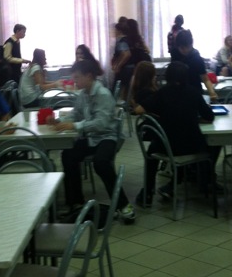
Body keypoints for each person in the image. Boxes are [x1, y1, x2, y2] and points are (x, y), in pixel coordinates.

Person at [53, 60, 135, 222]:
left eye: (77, 77)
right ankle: (75, 202)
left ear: (89, 76)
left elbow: (101, 124)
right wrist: (59, 121)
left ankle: (123, 205)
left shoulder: (103, 94)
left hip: (107, 137)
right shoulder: (83, 94)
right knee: (68, 155)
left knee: (101, 162)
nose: (74, 81)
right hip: (91, 137)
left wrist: (75, 125)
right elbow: (76, 114)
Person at [135, 62, 215, 206]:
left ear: (167, 76)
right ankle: (195, 183)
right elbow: (209, 117)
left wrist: (160, 114)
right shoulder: (193, 92)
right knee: (206, 144)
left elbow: (139, 110)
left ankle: (147, 192)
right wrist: (193, 118)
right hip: (191, 146)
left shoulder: (162, 93)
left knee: (151, 152)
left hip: (166, 146)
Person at [173, 30, 218, 101]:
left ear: (191, 44)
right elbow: (172, 76)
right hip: (178, 92)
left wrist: (212, 93)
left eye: (187, 47)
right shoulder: (175, 54)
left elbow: (205, 78)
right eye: (182, 48)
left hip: (195, 92)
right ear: (177, 46)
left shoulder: (196, 57)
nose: (185, 50)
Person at [111, 20, 133, 100]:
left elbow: (126, 54)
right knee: (125, 91)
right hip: (128, 69)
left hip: (125, 70)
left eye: (115, 30)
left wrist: (118, 66)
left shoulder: (122, 41)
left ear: (119, 31)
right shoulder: (128, 39)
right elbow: (122, 54)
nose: (114, 32)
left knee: (116, 90)